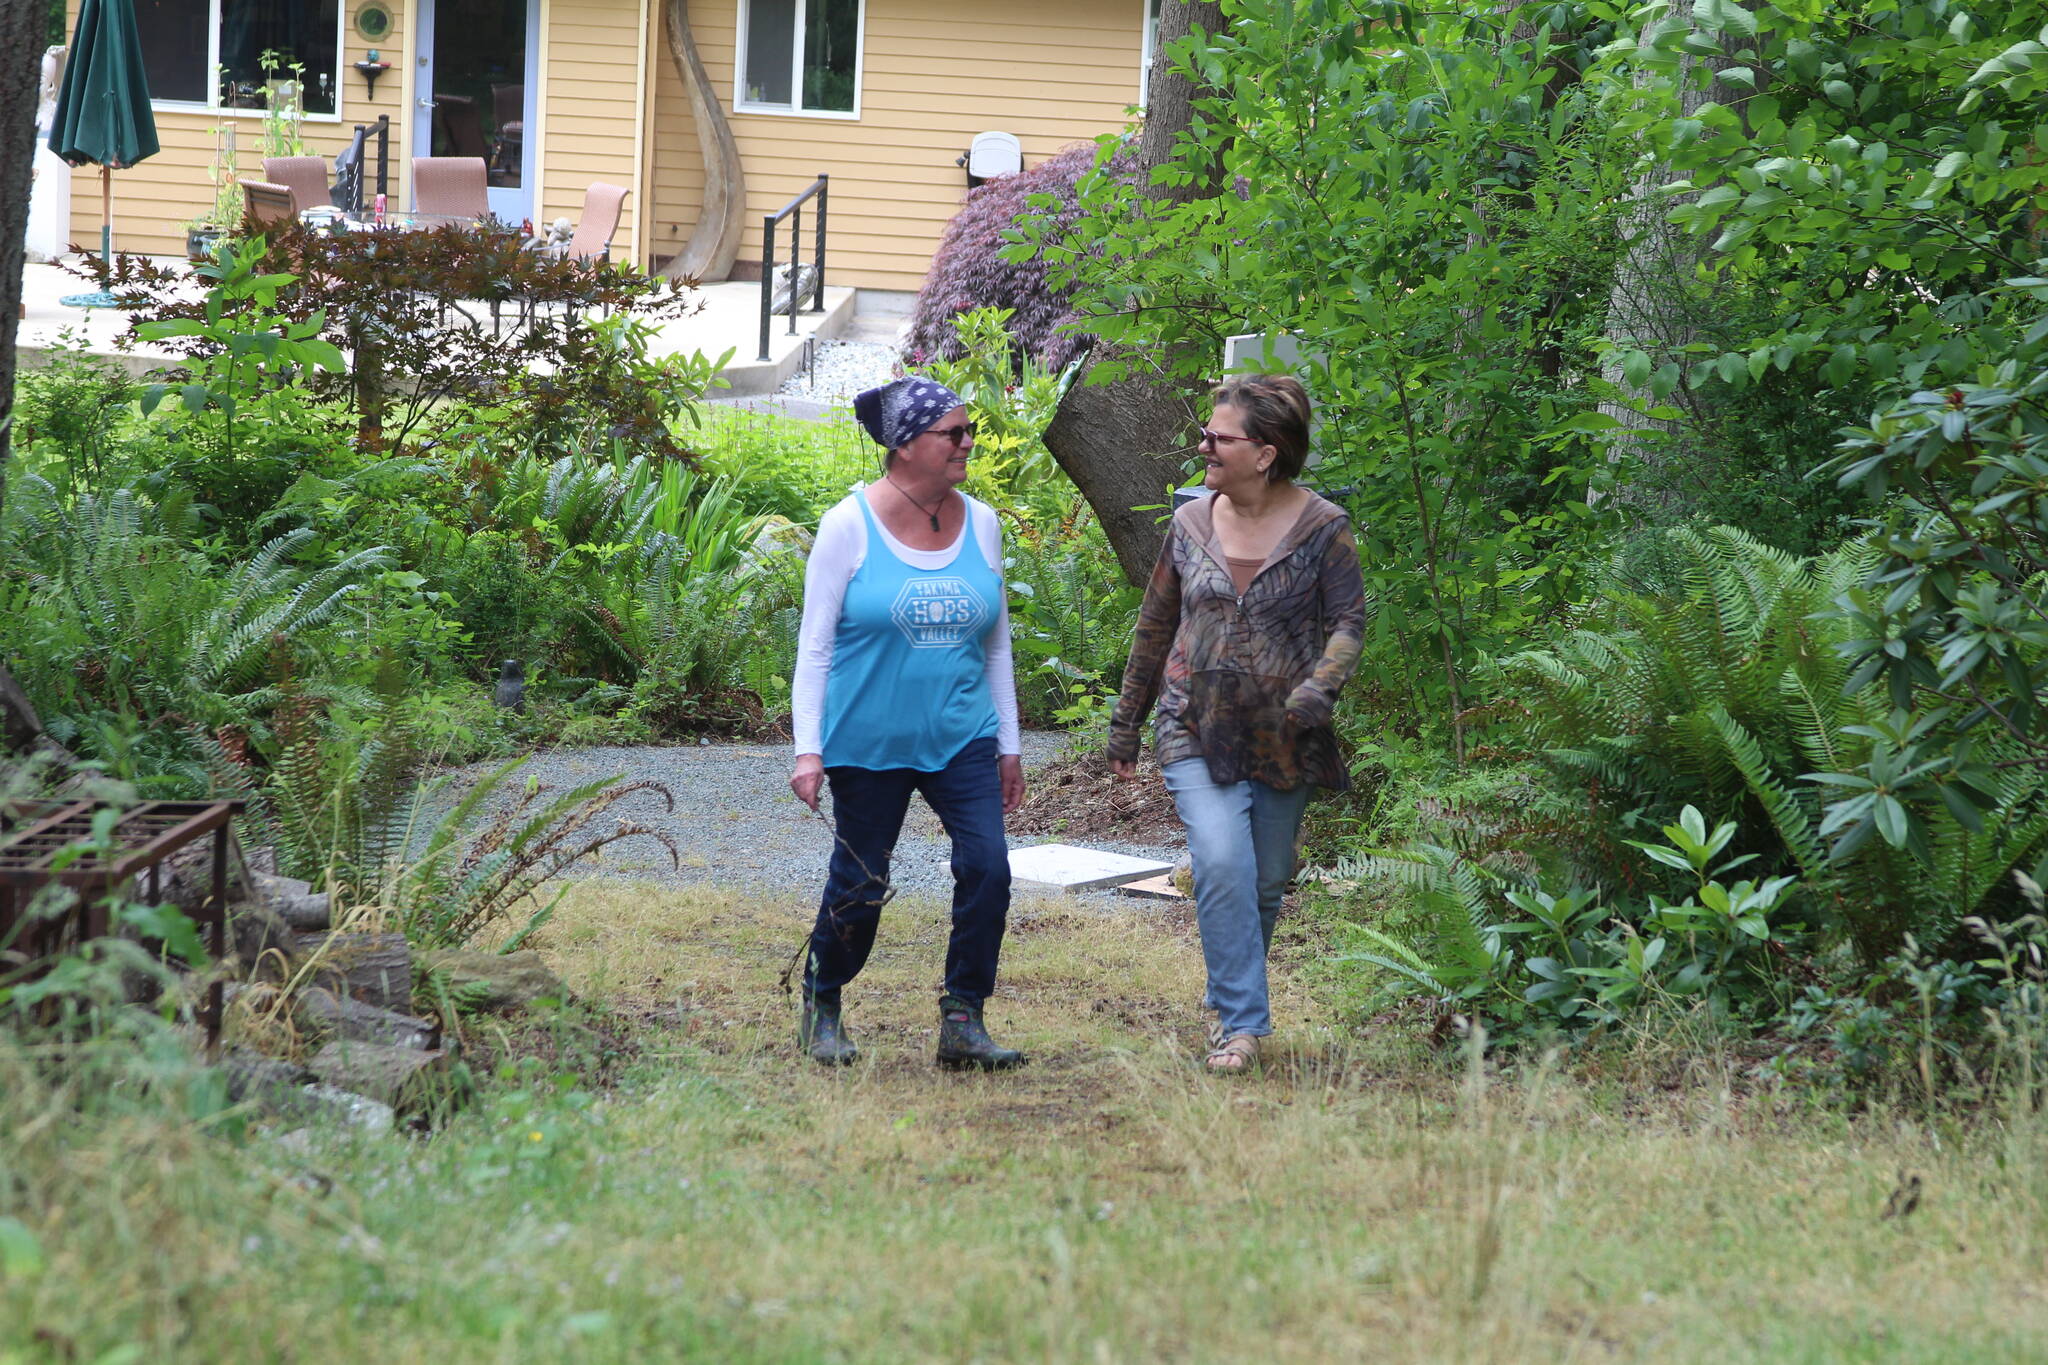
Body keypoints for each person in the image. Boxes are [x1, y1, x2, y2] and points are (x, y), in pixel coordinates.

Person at [1106, 373, 1365, 1072]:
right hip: (1195, 722)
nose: (1204, 446)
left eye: (1219, 438)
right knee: (1221, 859)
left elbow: (1348, 622)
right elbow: (1155, 623)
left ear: (1267, 451)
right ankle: (1242, 1024)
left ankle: (1229, 989)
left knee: (1267, 878)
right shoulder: (1191, 523)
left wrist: (1323, 683)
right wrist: (1125, 721)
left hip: (1285, 731)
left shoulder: (1322, 527)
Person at [788, 376, 1028, 1070]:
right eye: (953, 433)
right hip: (869, 740)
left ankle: (963, 1016)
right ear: (905, 445)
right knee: (861, 883)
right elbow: (815, 647)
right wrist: (810, 751)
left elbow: (997, 641)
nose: (967, 443)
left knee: (988, 867)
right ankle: (823, 999)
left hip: (961, 735)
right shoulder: (848, 526)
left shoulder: (981, 522)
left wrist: (1008, 743)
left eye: (968, 430)